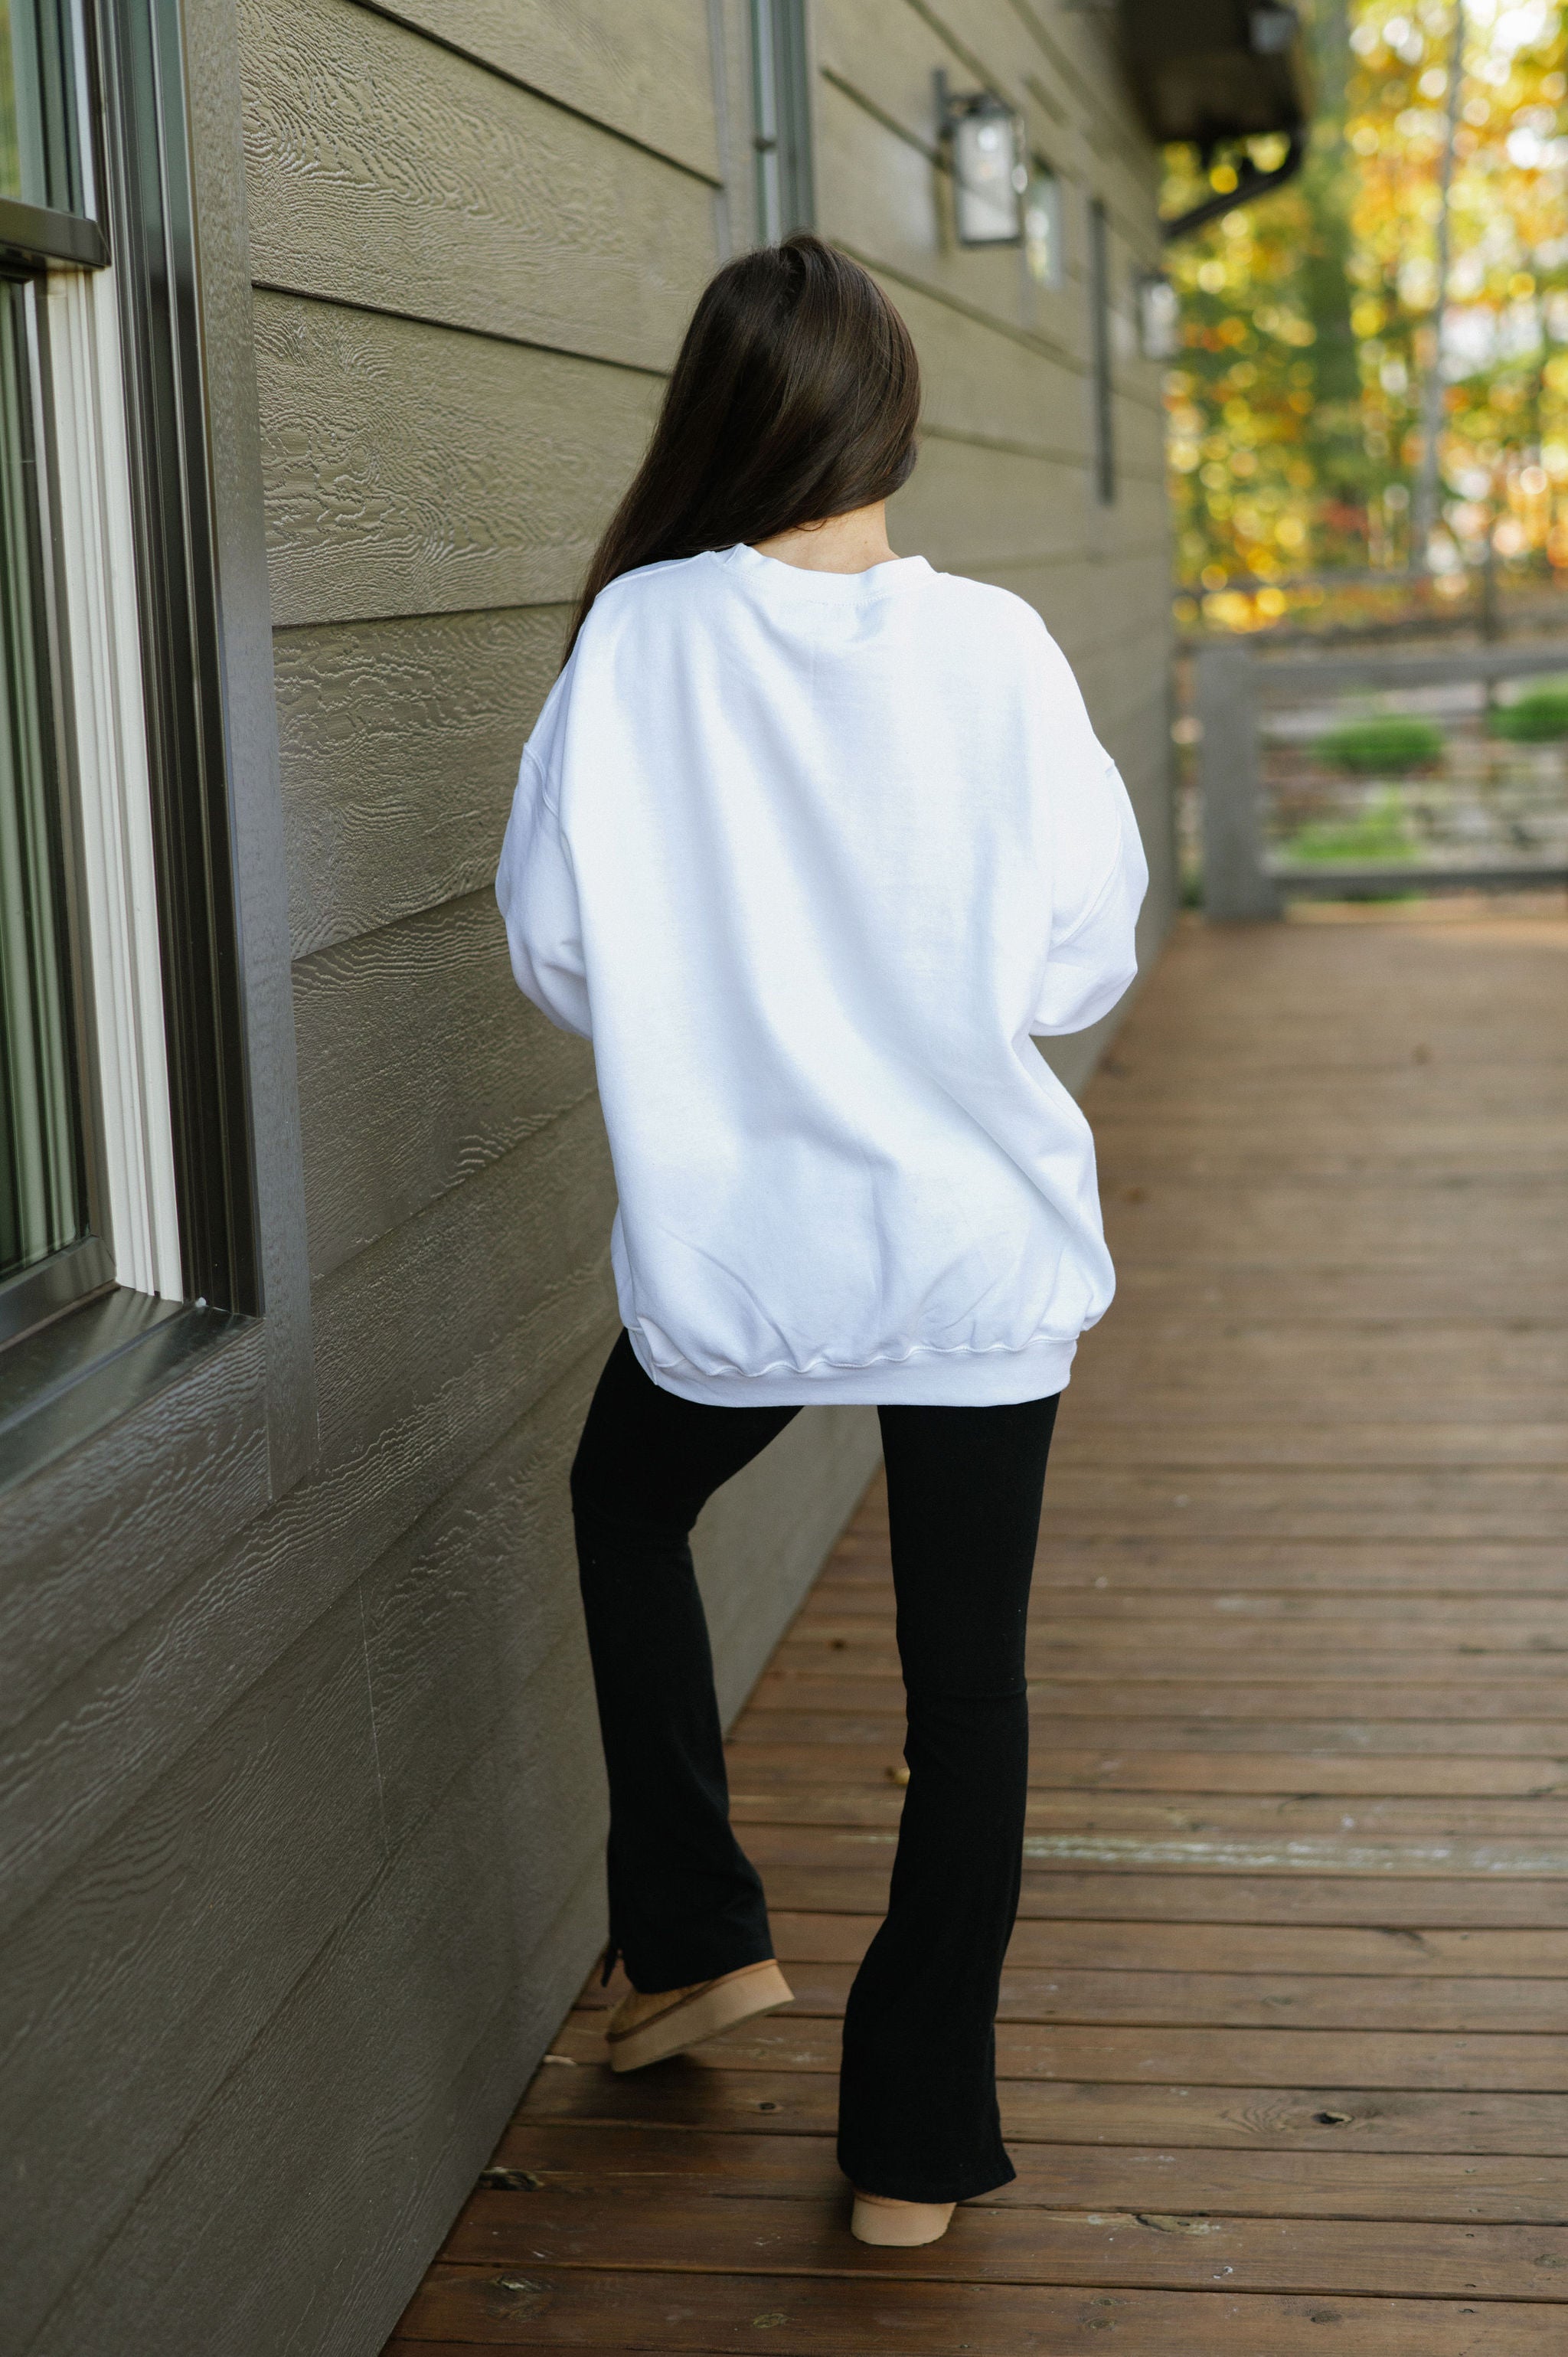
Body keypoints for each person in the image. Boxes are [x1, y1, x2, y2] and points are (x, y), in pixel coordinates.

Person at [495, 232, 1146, 2247]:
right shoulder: (1004, 650)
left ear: (722, 412)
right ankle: (913, 2155)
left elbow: (560, 947)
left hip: (744, 1254)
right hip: (975, 1246)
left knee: (623, 1498)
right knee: (971, 1698)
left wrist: (728, 1005)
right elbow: (1076, 954)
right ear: (894, 411)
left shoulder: (639, 641)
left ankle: (692, 1934)